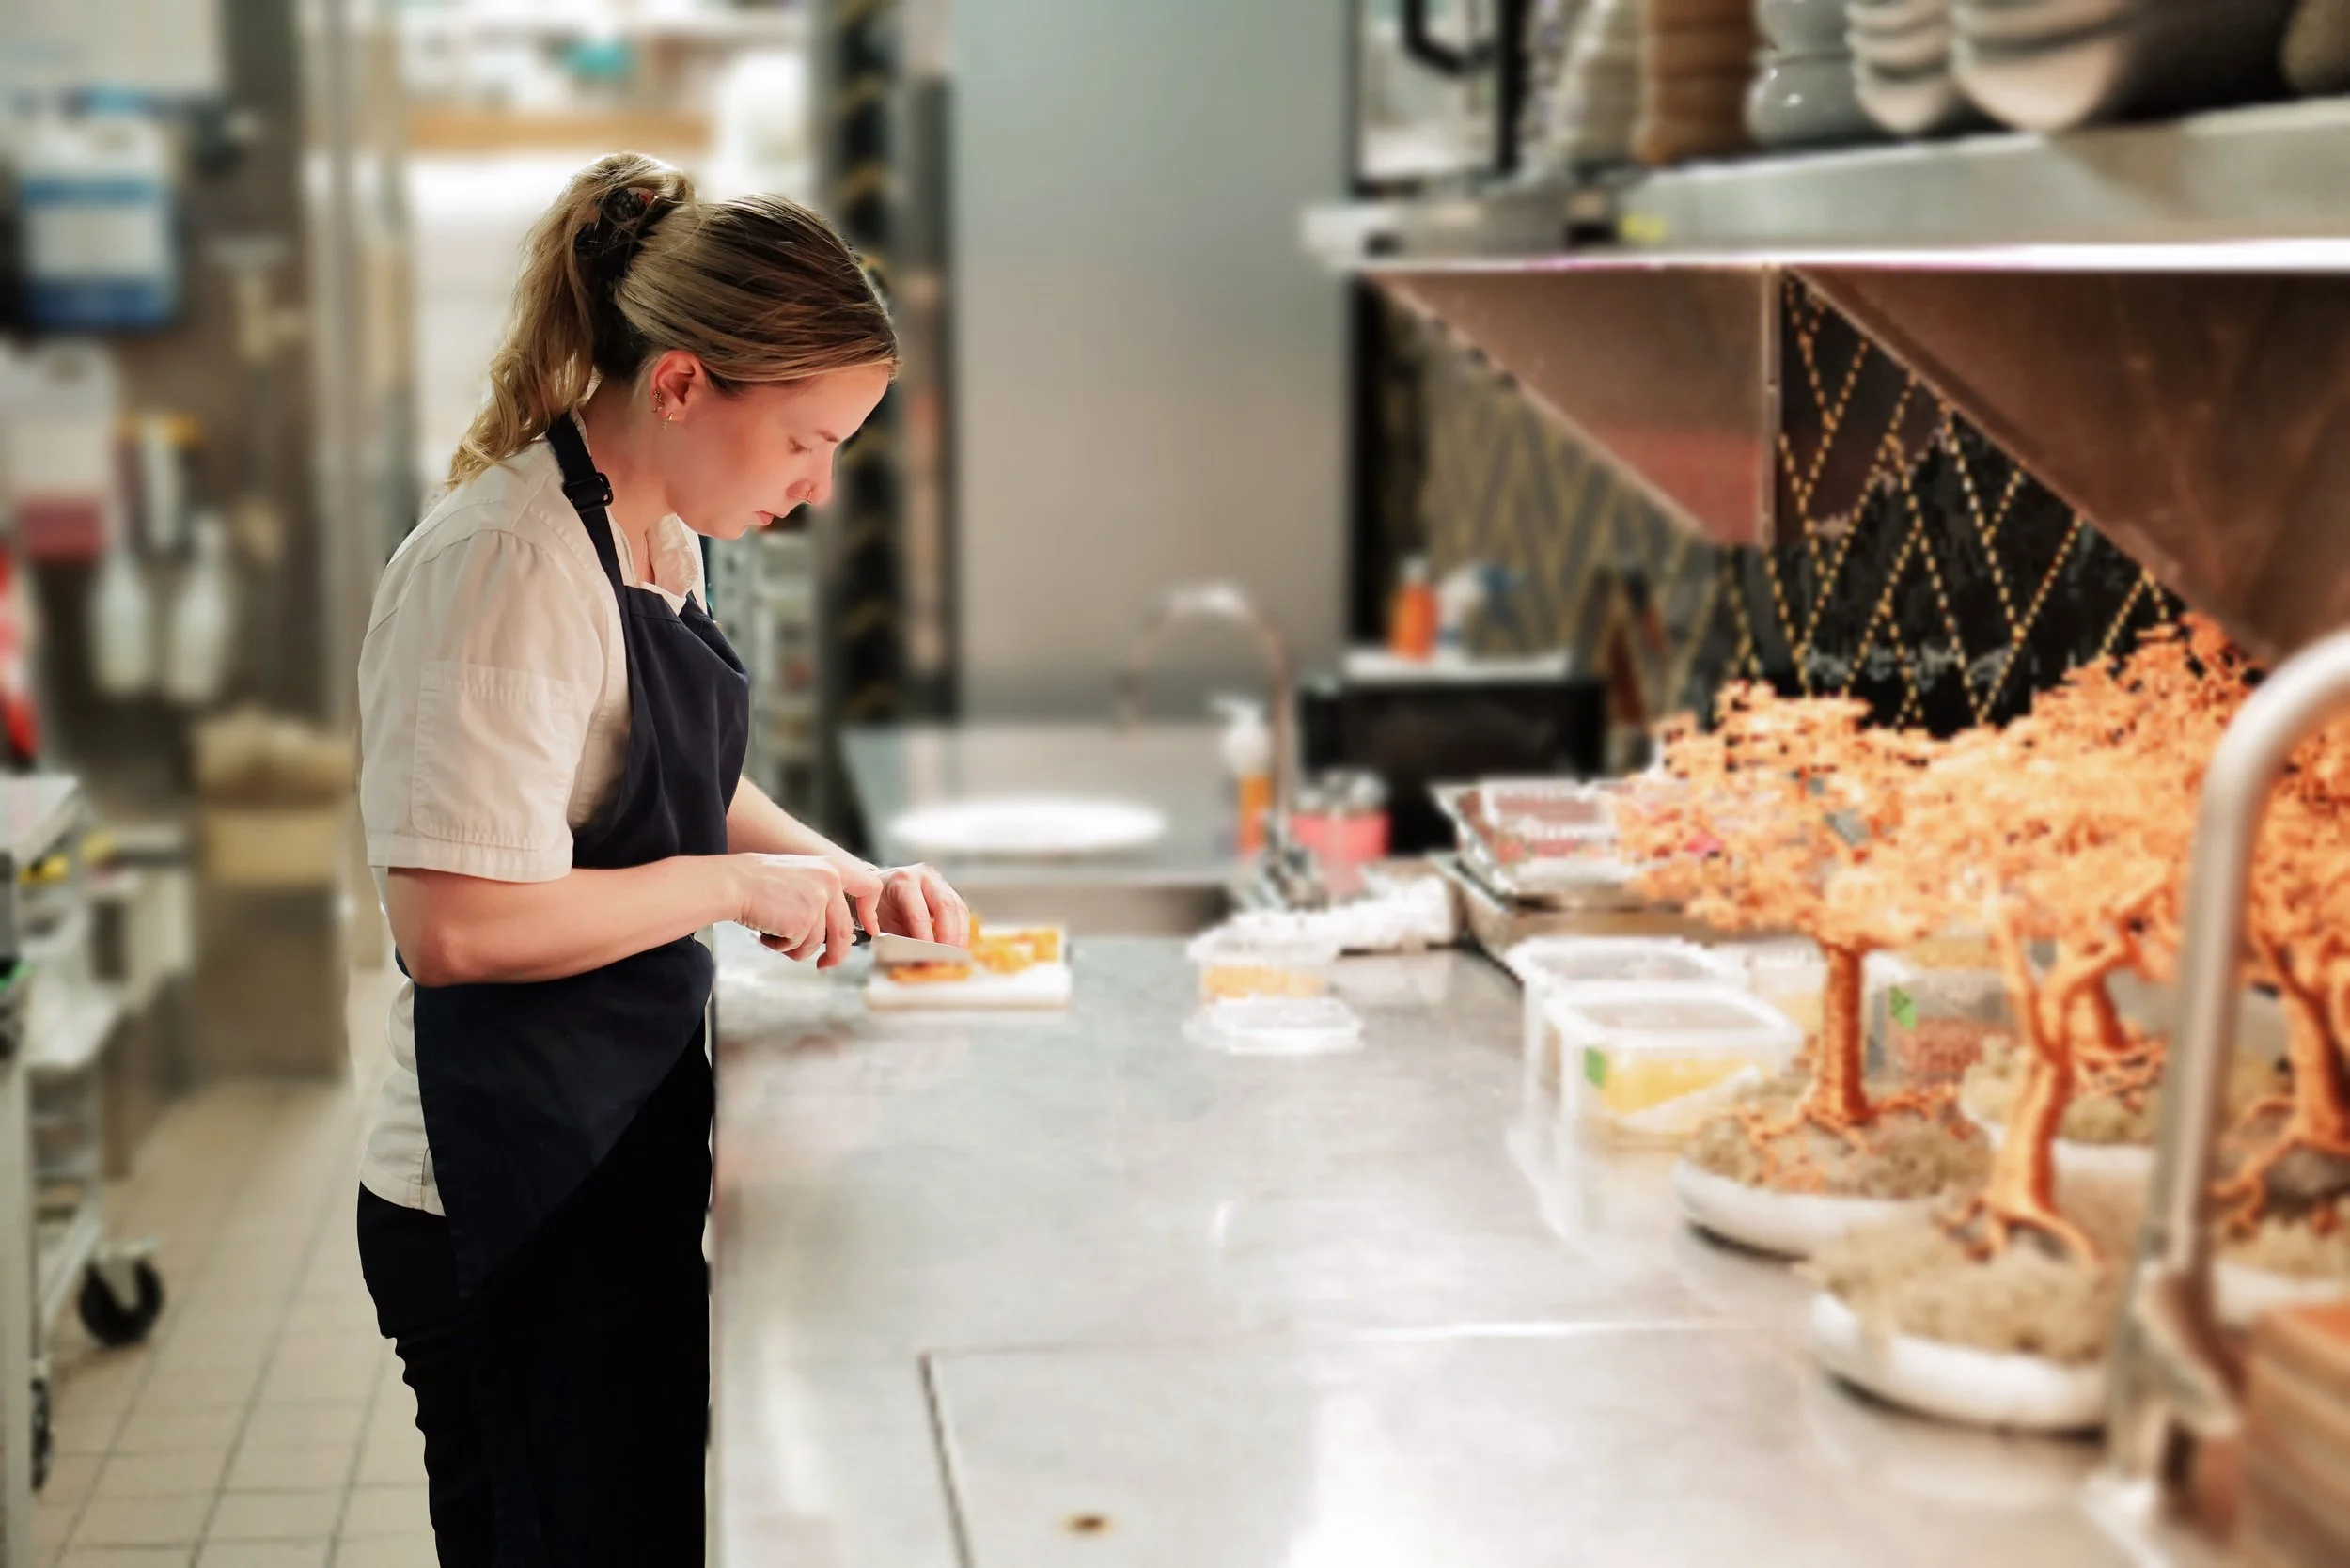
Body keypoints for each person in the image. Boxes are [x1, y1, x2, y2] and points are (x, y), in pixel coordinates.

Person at [353, 151, 968, 1565]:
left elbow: (670, 774)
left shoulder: (648, 528)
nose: (815, 490)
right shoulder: (502, 568)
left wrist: (846, 875)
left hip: (601, 1129)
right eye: (805, 443)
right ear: (684, 384)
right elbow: (456, 926)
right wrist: (740, 891)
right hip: (496, 1188)